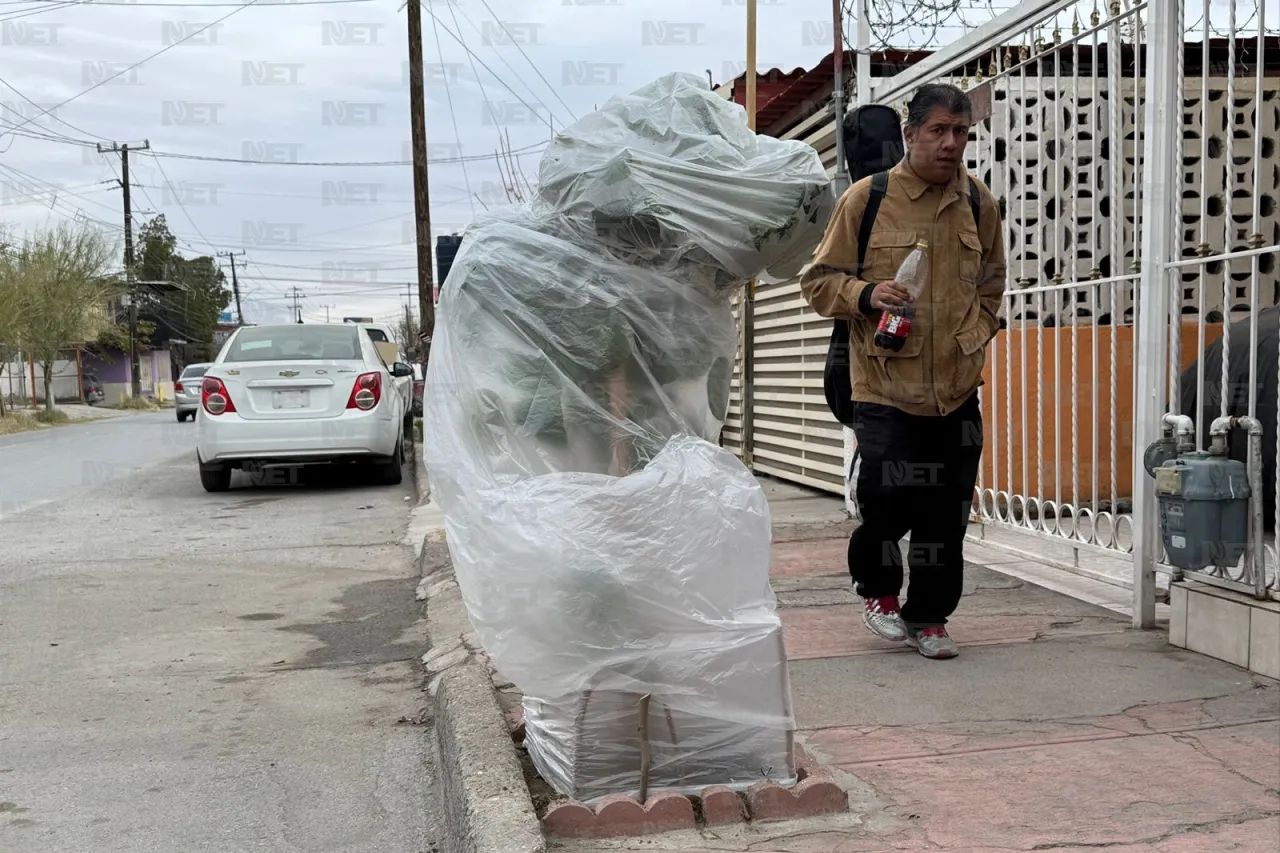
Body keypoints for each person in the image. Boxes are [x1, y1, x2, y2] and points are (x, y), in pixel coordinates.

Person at [800, 83, 1007, 659]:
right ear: (910, 135)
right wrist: (868, 295)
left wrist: (976, 334)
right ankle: (880, 594)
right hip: (885, 385)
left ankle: (931, 616)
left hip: (957, 387)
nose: (949, 143)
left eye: (960, 132)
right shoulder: (868, 199)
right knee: (888, 501)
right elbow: (817, 283)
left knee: (948, 508)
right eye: (937, 131)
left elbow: (992, 285)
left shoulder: (978, 204)